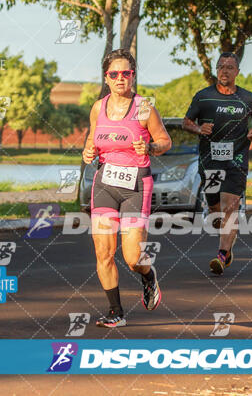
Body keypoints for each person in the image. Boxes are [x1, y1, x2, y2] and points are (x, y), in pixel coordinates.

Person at [82, 49, 172, 327]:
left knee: (132, 257)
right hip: (105, 183)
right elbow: (92, 140)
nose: (120, 78)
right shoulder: (98, 107)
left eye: (126, 73)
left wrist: (149, 147)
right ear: (106, 78)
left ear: (133, 76)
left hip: (136, 185)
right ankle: (115, 312)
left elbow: (165, 141)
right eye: (114, 74)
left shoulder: (144, 107)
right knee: (103, 253)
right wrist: (88, 151)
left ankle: (147, 275)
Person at [183, 52, 252, 275]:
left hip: (236, 160)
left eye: (230, 67)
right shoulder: (203, 97)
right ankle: (221, 230)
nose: (225, 71)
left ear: (237, 72)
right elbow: (186, 122)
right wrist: (199, 128)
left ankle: (222, 254)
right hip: (210, 160)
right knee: (215, 210)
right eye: (221, 67)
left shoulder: (247, 98)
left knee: (230, 206)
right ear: (216, 70)